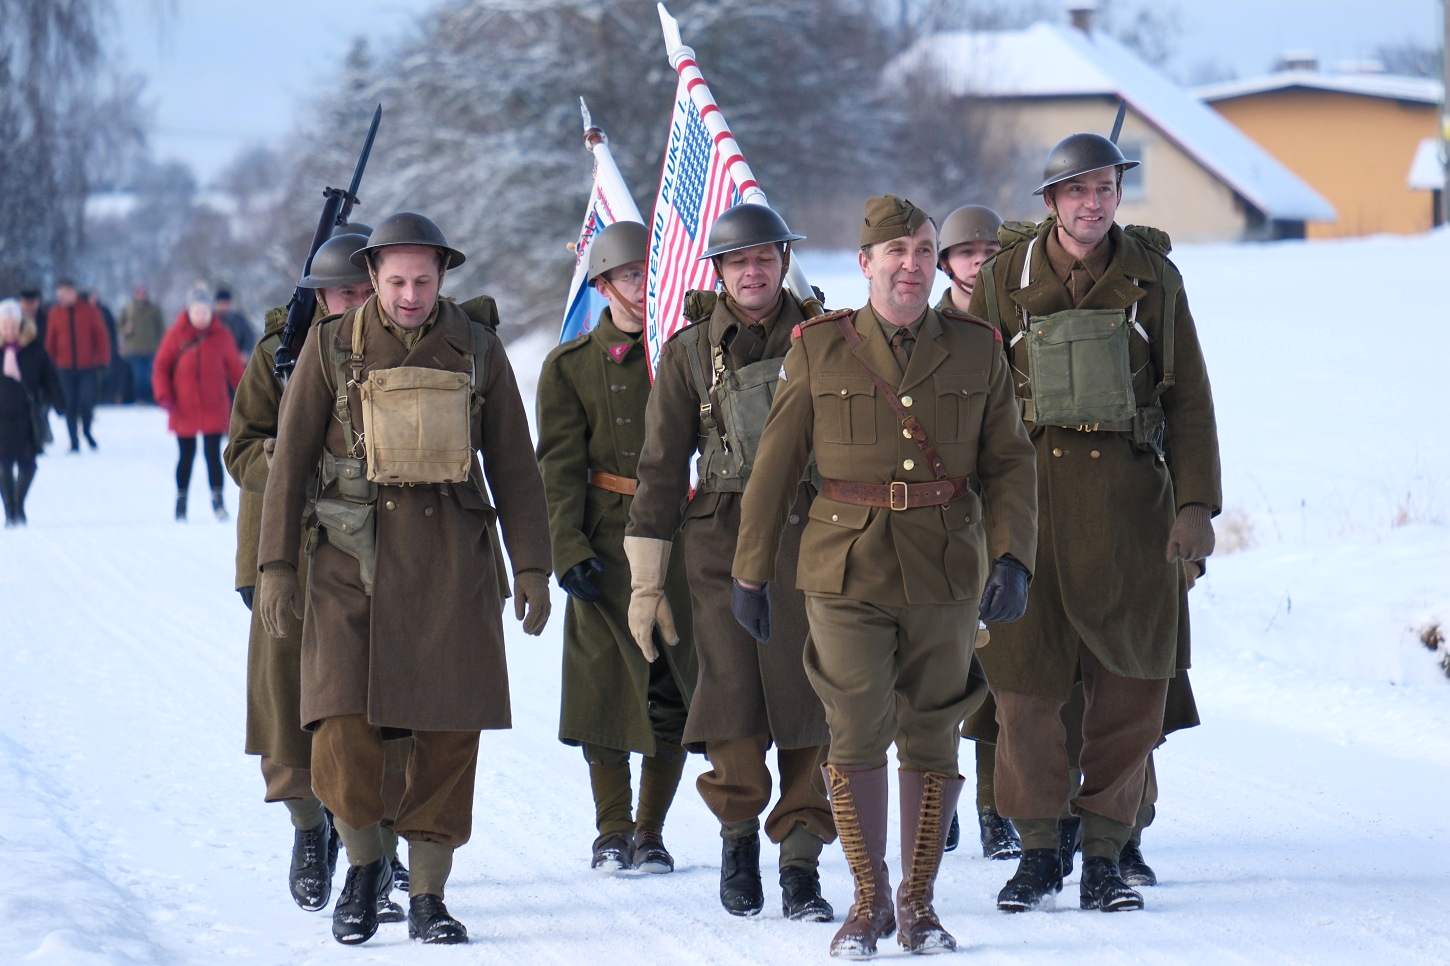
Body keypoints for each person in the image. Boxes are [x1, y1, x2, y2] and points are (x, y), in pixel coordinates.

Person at [731, 195, 1038, 957]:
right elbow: (774, 469)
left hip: (945, 564)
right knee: (856, 724)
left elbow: (1009, 464)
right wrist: (750, 572)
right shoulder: (819, 346)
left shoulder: (977, 347)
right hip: (845, 567)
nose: (912, 265)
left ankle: (919, 905)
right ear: (865, 264)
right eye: (896, 252)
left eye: (924, 252)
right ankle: (867, 902)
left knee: (934, 728)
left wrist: (1013, 557)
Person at [255, 211, 552, 946]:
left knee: (449, 733)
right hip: (350, 563)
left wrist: (533, 566)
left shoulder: (477, 349)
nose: (410, 295)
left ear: (442, 276)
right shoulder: (331, 345)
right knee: (340, 725)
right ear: (373, 277)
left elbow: (514, 465)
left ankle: (427, 894)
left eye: (423, 280)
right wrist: (277, 565)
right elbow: (290, 464)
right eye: (396, 281)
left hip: (453, 563)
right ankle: (363, 865)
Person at [967, 134, 1222, 914]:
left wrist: (1195, 508)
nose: (1092, 203)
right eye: (1077, 190)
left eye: (1105, 188)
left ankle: (1106, 854)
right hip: (1027, 511)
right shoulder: (1004, 280)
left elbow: (1188, 398)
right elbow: (969, 401)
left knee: (1132, 691)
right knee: (1024, 692)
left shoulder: (1154, 277)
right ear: (1051, 201)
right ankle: (1039, 852)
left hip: (1131, 508)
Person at [627, 204, 836, 923]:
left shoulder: (829, 340)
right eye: (739, 261)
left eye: (765, 258)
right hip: (719, 541)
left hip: (813, 537)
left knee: (814, 699)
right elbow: (660, 468)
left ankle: (801, 861)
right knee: (732, 700)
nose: (753, 272)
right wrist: (647, 580)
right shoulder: (688, 353)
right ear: (718, 271)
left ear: (784, 262)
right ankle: (739, 838)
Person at [224, 226, 418, 918]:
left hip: (372, 547)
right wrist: (288, 456)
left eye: (367, 290)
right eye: (343, 292)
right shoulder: (278, 354)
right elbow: (240, 448)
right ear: (321, 296)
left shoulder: (402, 350)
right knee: (285, 702)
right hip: (288, 548)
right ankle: (310, 829)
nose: (357, 302)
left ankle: (378, 843)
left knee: (378, 702)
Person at [537, 221, 698, 874]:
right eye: (630, 275)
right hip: (604, 543)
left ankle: (650, 831)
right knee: (603, 686)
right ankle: (611, 830)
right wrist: (567, 548)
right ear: (602, 285)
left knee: (672, 686)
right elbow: (557, 466)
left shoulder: (687, 353)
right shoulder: (569, 367)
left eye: (650, 273)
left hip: (681, 539)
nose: (642, 286)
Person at [932, 204, 1021, 861]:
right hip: (941, 513)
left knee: (1002, 668)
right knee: (939, 668)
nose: (980, 263)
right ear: (946, 263)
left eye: (991, 253)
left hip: (1007, 510)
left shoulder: (1021, 324)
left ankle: (995, 808)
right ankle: (939, 797)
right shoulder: (922, 326)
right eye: (967, 253)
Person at [153, 286, 242, 521]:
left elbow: (235, 370)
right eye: (196, 311)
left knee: (213, 455)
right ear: (189, 311)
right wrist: (164, 395)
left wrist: (246, 395)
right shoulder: (175, 334)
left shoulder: (222, 336)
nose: (201, 316)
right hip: (183, 406)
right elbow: (161, 367)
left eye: (205, 311)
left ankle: (218, 500)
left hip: (214, 405)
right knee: (186, 455)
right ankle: (181, 500)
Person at [0, 299, 63, 526]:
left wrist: (57, 402)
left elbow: (50, 378)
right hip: (1, 417)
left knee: (28, 465)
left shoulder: (34, 349)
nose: (8, 330)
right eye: (4, 325)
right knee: (3, 466)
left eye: (12, 325)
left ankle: (19, 503)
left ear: (20, 324)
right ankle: (10, 511)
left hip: (27, 417)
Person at [44, 279, 109, 451]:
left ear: (73, 293)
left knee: (87, 401)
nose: (61, 297)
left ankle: (86, 431)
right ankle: (73, 441)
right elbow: (51, 340)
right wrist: (49, 363)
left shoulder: (89, 311)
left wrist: (102, 359)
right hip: (64, 367)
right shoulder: (55, 313)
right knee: (69, 404)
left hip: (87, 366)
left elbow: (101, 336)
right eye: (59, 294)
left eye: (64, 293)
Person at [119, 286, 165, 404]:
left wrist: (162, 345)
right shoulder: (128, 309)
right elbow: (119, 325)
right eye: (138, 293)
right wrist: (125, 329)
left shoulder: (154, 309)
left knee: (151, 375)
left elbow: (161, 328)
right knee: (139, 377)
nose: (141, 295)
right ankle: (141, 399)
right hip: (134, 349)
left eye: (143, 293)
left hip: (151, 349)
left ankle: (151, 398)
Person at [215, 288, 257, 357]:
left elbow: (249, 337)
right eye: (221, 303)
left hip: (236, 358)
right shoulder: (210, 319)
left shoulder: (239, 320)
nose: (224, 306)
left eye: (226, 303)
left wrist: (245, 352)